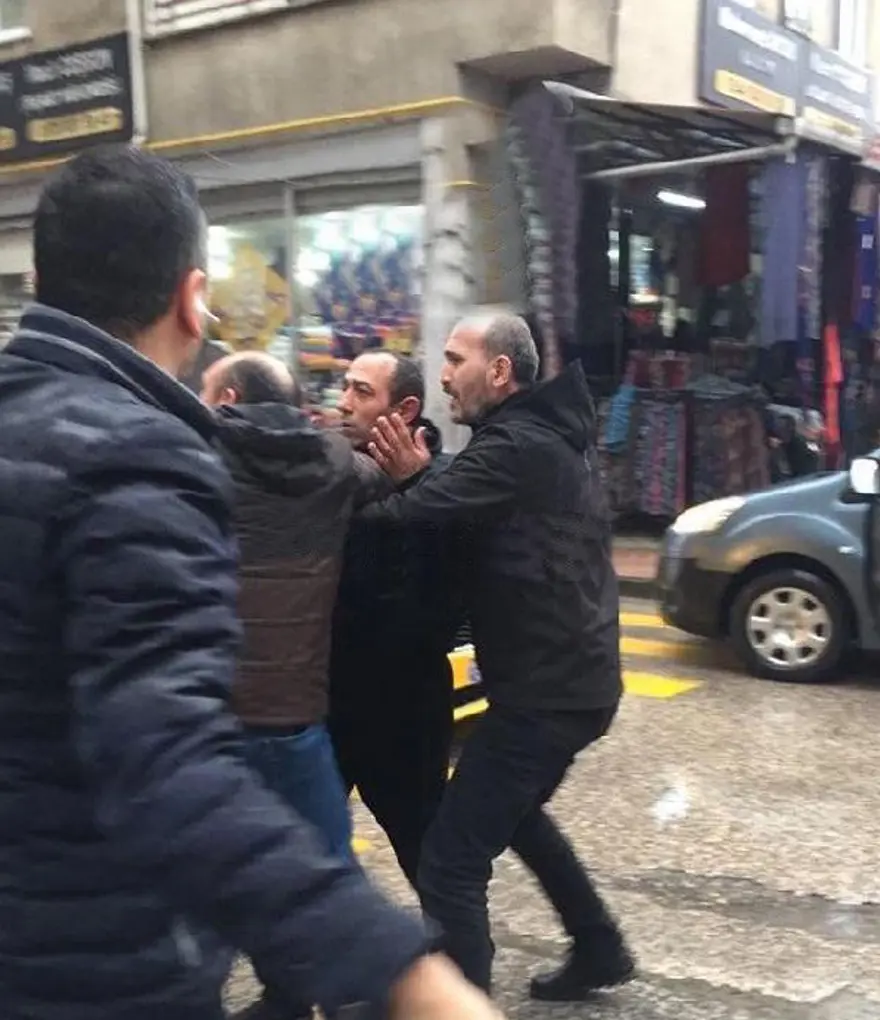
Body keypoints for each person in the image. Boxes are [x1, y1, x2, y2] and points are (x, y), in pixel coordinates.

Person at [0, 146, 501, 1020]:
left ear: (41, 281)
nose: (346, 402)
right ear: (191, 300)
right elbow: (167, 766)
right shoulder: (141, 455)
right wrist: (410, 979)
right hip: (93, 963)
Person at [362, 313, 634, 999]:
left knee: (450, 860)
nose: (445, 375)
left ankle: (461, 1005)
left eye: (456, 360)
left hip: (546, 695)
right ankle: (599, 945)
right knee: (518, 817)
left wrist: (403, 480)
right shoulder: (542, 436)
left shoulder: (516, 446)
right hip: (575, 682)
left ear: (501, 371)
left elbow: (412, 514)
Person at [202, 350, 382, 866]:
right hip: (296, 720)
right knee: (327, 874)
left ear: (228, 399)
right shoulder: (335, 463)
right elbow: (387, 474)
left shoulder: (191, 458)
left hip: (213, 719)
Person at [330, 350, 464, 889]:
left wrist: (416, 487)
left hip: (404, 714)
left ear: (404, 410)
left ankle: (457, 950)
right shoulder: (330, 471)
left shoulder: (445, 481)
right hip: (331, 704)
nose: (344, 402)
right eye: (345, 387)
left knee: (428, 860)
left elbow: (446, 598)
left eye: (362, 392)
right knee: (306, 850)